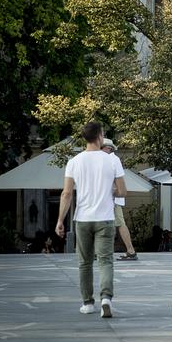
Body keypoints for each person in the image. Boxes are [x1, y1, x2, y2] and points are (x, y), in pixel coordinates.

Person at [56, 121, 126, 318]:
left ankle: (87, 303)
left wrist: (60, 220)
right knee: (105, 261)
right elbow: (122, 191)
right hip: (105, 218)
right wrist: (110, 190)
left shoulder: (74, 162)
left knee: (85, 263)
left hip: (82, 219)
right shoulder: (112, 160)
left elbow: (67, 194)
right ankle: (106, 298)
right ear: (100, 136)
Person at [101, 138, 138, 261]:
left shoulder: (111, 159)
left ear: (106, 148)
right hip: (110, 198)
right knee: (110, 224)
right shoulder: (110, 159)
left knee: (119, 223)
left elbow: (116, 179)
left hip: (112, 198)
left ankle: (131, 251)